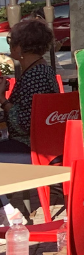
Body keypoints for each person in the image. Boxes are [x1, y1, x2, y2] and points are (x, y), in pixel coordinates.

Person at [0, 19, 59, 179]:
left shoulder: (34, 76)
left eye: (11, 42)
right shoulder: (43, 69)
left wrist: (2, 100)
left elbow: (25, 124)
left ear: (19, 48)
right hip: (44, 144)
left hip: (31, 147)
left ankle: (4, 203)